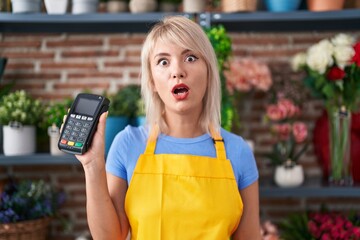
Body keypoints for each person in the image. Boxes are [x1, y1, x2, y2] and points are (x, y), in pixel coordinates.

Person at [69, 15, 261, 239]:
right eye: (163, 61)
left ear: (208, 71)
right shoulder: (128, 144)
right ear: (152, 81)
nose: (177, 71)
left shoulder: (237, 150)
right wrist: (92, 166)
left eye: (190, 57)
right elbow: (110, 237)